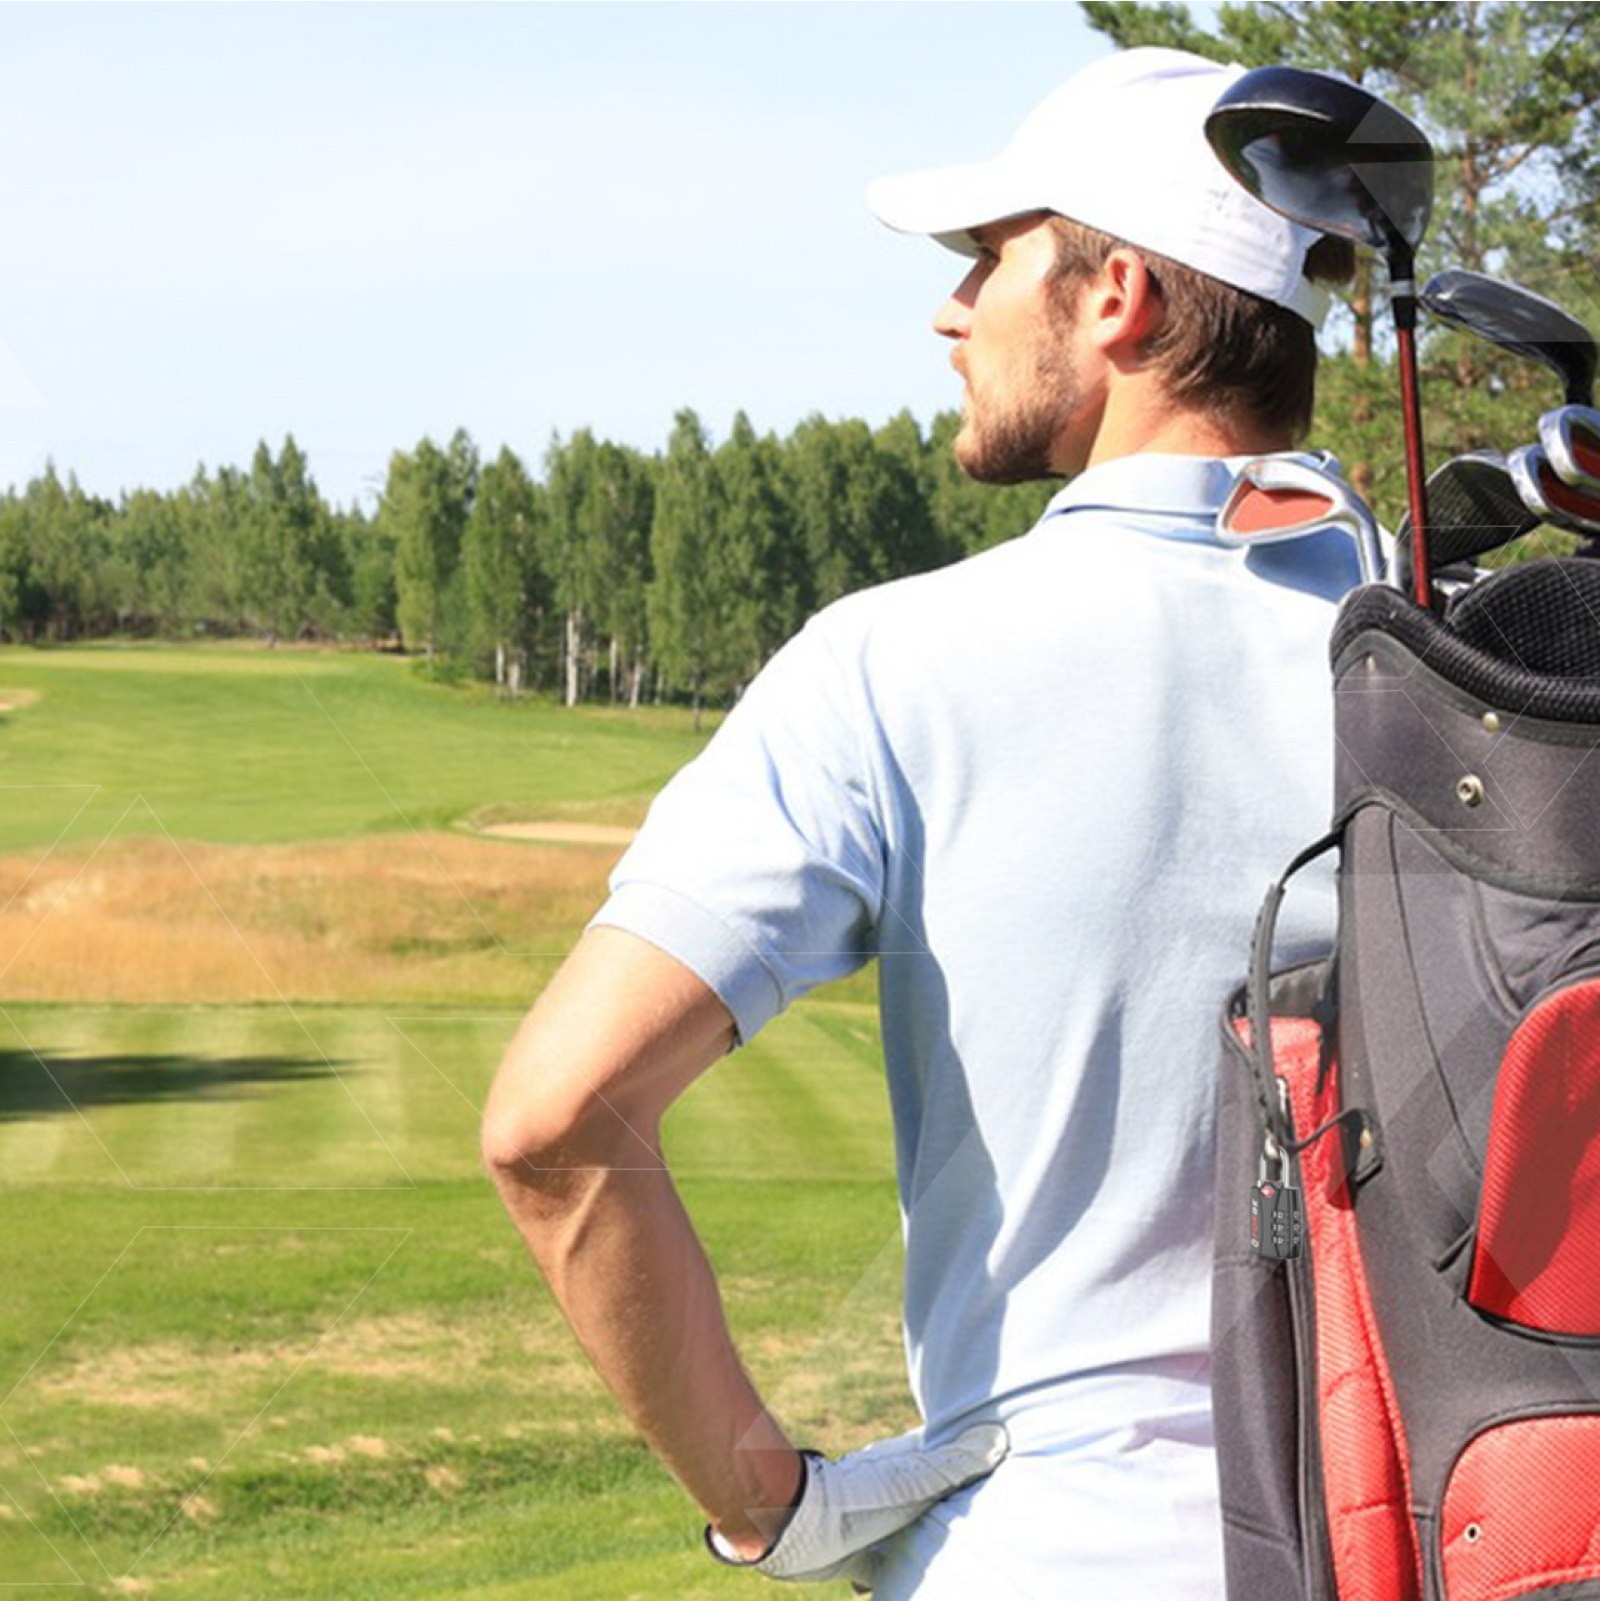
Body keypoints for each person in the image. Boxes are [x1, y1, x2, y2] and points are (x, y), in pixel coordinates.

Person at [483, 46, 1359, 1599]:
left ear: (1119, 299)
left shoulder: (894, 661)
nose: (951, 315)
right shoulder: (1487, 646)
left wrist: (772, 1504)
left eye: (987, 261)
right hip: (1449, 1536)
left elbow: (556, 1123)